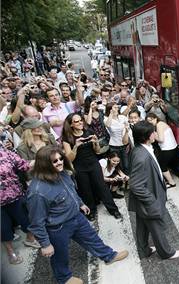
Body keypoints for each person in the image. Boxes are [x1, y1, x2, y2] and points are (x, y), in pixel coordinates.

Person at [26, 146, 128, 284]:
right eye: (54, 161)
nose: (60, 162)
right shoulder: (37, 191)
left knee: (92, 238)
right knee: (60, 256)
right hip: (57, 228)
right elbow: (36, 221)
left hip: (76, 217)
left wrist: (80, 204)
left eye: (61, 158)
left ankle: (109, 256)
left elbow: (70, 191)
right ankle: (64, 278)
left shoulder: (61, 173)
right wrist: (45, 244)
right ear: (44, 164)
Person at [128, 121, 179, 259]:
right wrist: (151, 201)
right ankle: (166, 253)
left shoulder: (141, 149)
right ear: (147, 136)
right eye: (153, 132)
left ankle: (144, 250)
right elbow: (136, 185)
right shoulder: (142, 156)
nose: (155, 134)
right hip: (148, 200)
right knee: (156, 227)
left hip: (145, 200)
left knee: (142, 226)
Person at [62, 113, 122, 221]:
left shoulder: (89, 132)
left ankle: (114, 210)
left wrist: (96, 143)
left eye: (81, 120)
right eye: (76, 121)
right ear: (71, 124)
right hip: (79, 167)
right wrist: (75, 146)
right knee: (86, 190)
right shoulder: (67, 138)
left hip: (93, 163)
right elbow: (69, 159)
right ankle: (91, 212)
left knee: (102, 187)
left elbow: (98, 152)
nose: (80, 122)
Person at [1, 146, 40, 265]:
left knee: (24, 219)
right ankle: (10, 251)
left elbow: (24, 165)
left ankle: (30, 239)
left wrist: (42, 157)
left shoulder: (5, 153)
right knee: (3, 227)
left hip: (15, 196)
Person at [146, 113, 178, 188]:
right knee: (162, 163)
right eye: (148, 121)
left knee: (162, 166)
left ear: (155, 118)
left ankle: (172, 183)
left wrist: (153, 134)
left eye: (151, 120)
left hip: (168, 149)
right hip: (171, 147)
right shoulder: (160, 124)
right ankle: (167, 179)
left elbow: (161, 140)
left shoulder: (159, 125)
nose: (150, 122)